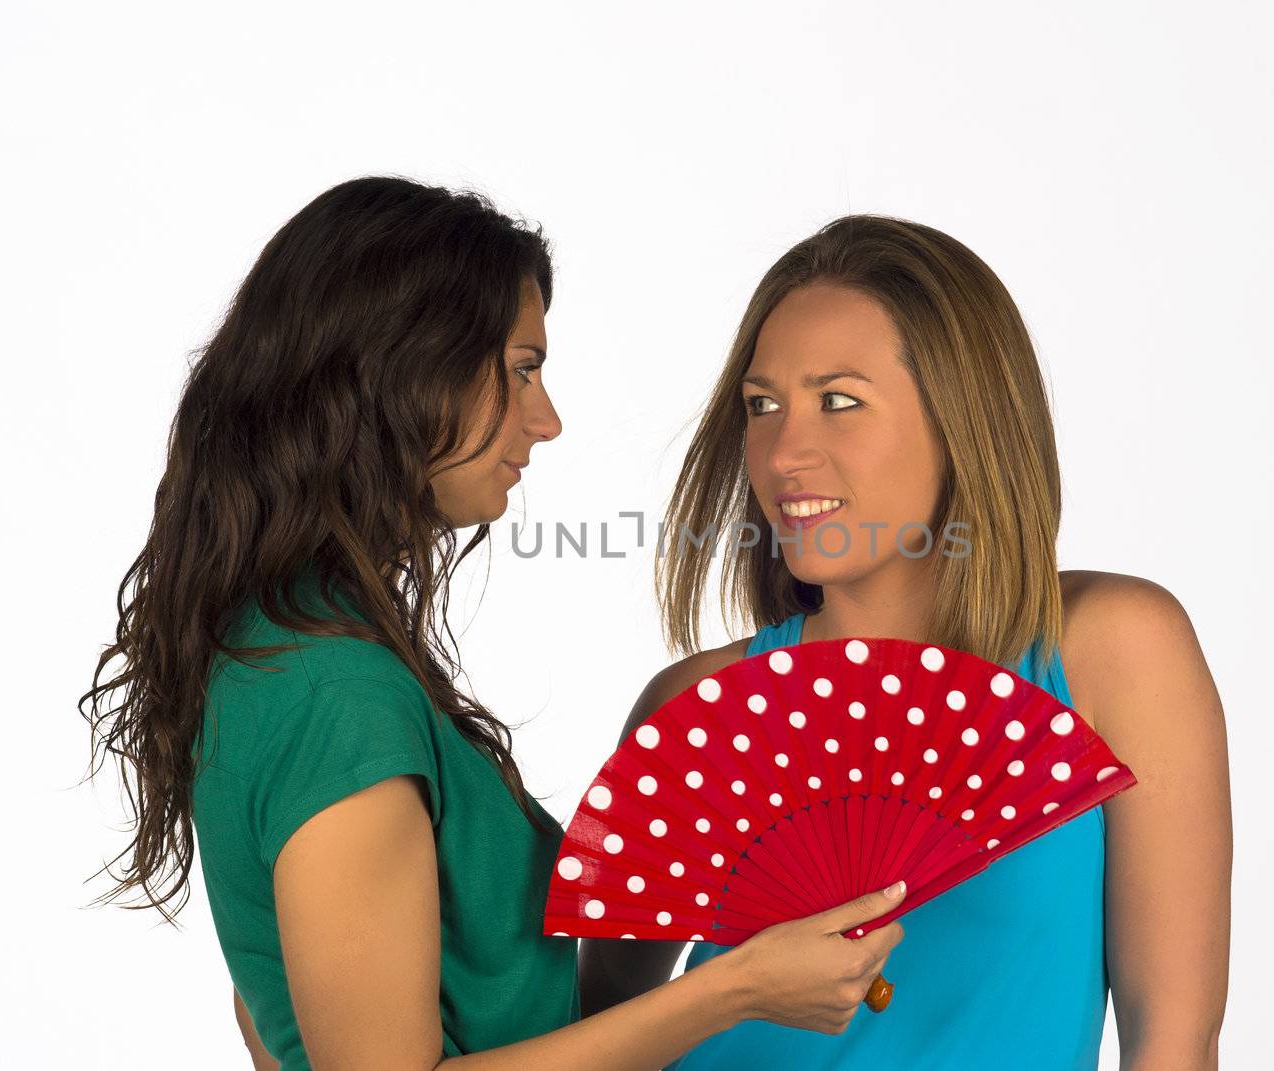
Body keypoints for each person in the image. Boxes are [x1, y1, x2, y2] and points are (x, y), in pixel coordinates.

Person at [80, 177, 906, 1071]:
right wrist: (734, 988)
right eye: (521, 368)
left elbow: (269, 1007)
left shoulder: (286, 651)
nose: (546, 420)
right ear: (402, 368)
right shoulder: (334, 691)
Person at [580, 215, 1232, 1069]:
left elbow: (1175, 1042)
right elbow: (596, 1041)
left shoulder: (1113, 652)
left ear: (965, 417)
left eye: (839, 401)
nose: (784, 452)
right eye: (762, 405)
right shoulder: (694, 706)